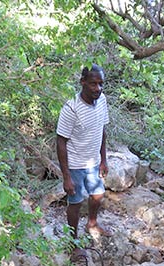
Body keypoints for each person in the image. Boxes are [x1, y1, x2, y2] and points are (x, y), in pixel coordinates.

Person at [56, 64, 113, 255]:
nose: (98, 88)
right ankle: (73, 242)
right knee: (75, 202)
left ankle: (92, 224)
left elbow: (102, 130)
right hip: (75, 164)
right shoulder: (71, 108)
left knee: (97, 195)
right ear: (83, 83)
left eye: (101, 84)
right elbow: (61, 142)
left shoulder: (102, 100)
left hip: (93, 162)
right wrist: (66, 176)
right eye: (93, 84)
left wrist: (103, 159)